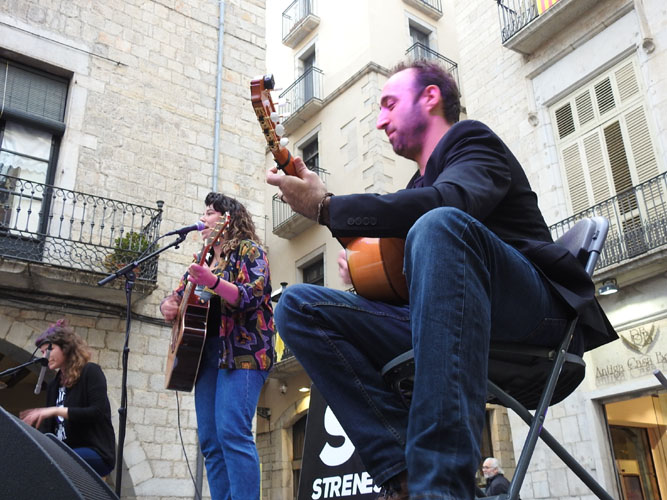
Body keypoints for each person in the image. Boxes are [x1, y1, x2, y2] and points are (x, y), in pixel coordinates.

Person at [266, 60, 617, 499]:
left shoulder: (472, 142)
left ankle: (441, 486)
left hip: (534, 320)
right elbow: (394, 252)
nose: (380, 121)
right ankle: (404, 473)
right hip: (442, 327)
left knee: (440, 224)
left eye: (389, 104)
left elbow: (447, 204)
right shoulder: (418, 187)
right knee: (297, 306)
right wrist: (337, 223)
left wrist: (328, 208)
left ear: (430, 97)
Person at [160, 192, 275, 500]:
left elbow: (251, 295)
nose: (203, 217)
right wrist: (168, 305)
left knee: (232, 433)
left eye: (210, 212)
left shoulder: (249, 251)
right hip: (205, 354)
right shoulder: (202, 259)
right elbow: (177, 296)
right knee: (211, 441)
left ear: (228, 219)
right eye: (205, 212)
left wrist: (212, 282)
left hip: (244, 351)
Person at [20, 319, 116, 477]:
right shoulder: (53, 385)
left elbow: (97, 412)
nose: (45, 356)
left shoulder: (90, 372)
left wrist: (55, 410)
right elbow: (48, 430)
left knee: (55, 462)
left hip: (95, 452)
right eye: (42, 352)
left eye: (49, 350)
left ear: (65, 347)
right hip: (63, 452)